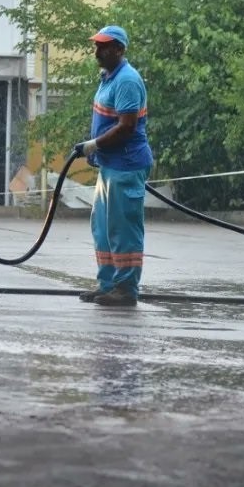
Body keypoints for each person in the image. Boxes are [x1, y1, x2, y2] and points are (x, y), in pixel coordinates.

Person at [75, 24, 153, 308]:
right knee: (104, 228)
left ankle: (125, 288)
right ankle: (108, 285)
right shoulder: (108, 77)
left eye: (103, 46)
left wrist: (94, 144)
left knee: (123, 230)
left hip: (127, 165)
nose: (97, 51)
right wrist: (96, 149)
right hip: (111, 166)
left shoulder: (127, 81)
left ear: (119, 50)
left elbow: (127, 127)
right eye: (96, 45)